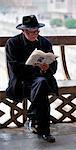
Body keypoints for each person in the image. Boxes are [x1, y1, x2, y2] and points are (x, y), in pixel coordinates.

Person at [5, 15, 58, 143]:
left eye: (37, 31)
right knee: (42, 89)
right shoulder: (12, 43)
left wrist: (46, 68)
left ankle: (33, 118)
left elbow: (54, 67)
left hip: (41, 80)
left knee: (42, 83)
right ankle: (44, 131)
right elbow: (15, 68)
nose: (36, 34)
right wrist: (37, 69)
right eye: (32, 32)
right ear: (23, 31)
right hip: (22, 81)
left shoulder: (44, 42)